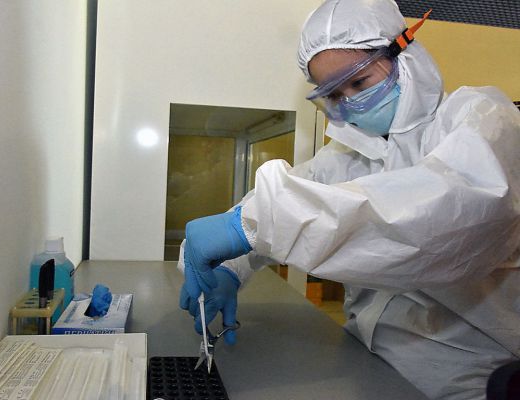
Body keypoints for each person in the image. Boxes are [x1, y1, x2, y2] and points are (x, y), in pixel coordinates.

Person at [178, 0, 520, 398]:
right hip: (362, 356)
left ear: (404, 54)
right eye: (334, 94)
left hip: (465, 374)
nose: (351, 101)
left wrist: (253, 225)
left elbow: (439, 220)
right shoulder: (351, 154)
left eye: (359, 82)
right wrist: (230, 267)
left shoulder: (482, 118)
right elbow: (286, 200)